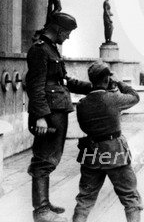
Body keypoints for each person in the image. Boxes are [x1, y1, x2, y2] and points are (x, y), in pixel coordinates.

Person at [26, 12, 92, 222]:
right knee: (43, 159)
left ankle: (44, 203)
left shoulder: (50, 48)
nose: (68, 37)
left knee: (50, 158)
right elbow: (35, 87)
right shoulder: (39, 50)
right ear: (57, 29)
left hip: (57, 111)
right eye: (68, 33)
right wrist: (41, 117)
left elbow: (63, 81)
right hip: (49, 113)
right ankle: (41, 210)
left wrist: (94, 87)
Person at [72, 62, 142, 222]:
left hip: (91, 154)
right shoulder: (114, 99)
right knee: (131, 199)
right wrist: (118, 82)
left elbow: (84, 126)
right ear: (107, 80)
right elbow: (135, 97)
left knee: (84, 200)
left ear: (91, 80)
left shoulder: (82, 104)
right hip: (115, 153)